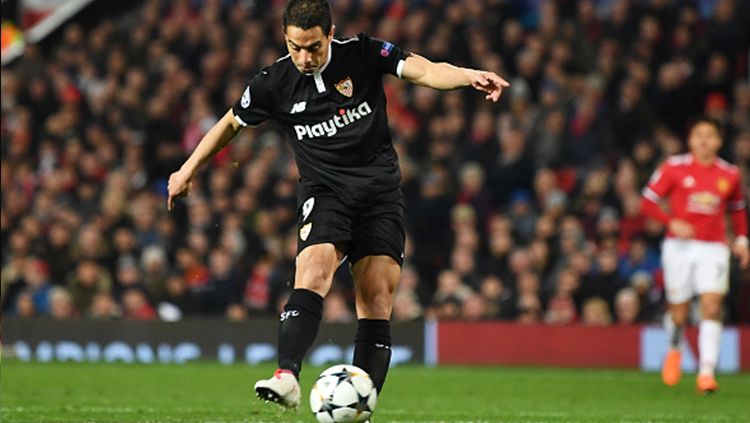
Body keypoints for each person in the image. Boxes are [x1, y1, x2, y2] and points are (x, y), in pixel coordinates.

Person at [166, 0, 509, 410]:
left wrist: (468, 76)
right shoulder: (272, 82)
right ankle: (287, 376)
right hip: (325, 192)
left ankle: (359, 409)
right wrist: (186, 170)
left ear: (330, 34)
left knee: (376, 299)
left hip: (379, 195)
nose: (304, 57)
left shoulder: (363, 54)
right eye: (295, 47)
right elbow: (229, 124)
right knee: (312, 270)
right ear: (285, 38)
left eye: (312, 46)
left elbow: (425, 69)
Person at [641, 116, 749, 395]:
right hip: (679, 246)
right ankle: (674, 347)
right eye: (698, 135)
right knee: (679, 312)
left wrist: (742, 240)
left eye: (710, 135)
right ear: (690, 140)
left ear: (719, 140)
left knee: (711, 306)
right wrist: (670, 221)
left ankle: (706, 373)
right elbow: (648, 200)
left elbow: (737, 209)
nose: (704, 140)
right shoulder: (673, 167)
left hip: (713, 247)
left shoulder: (730, 174)